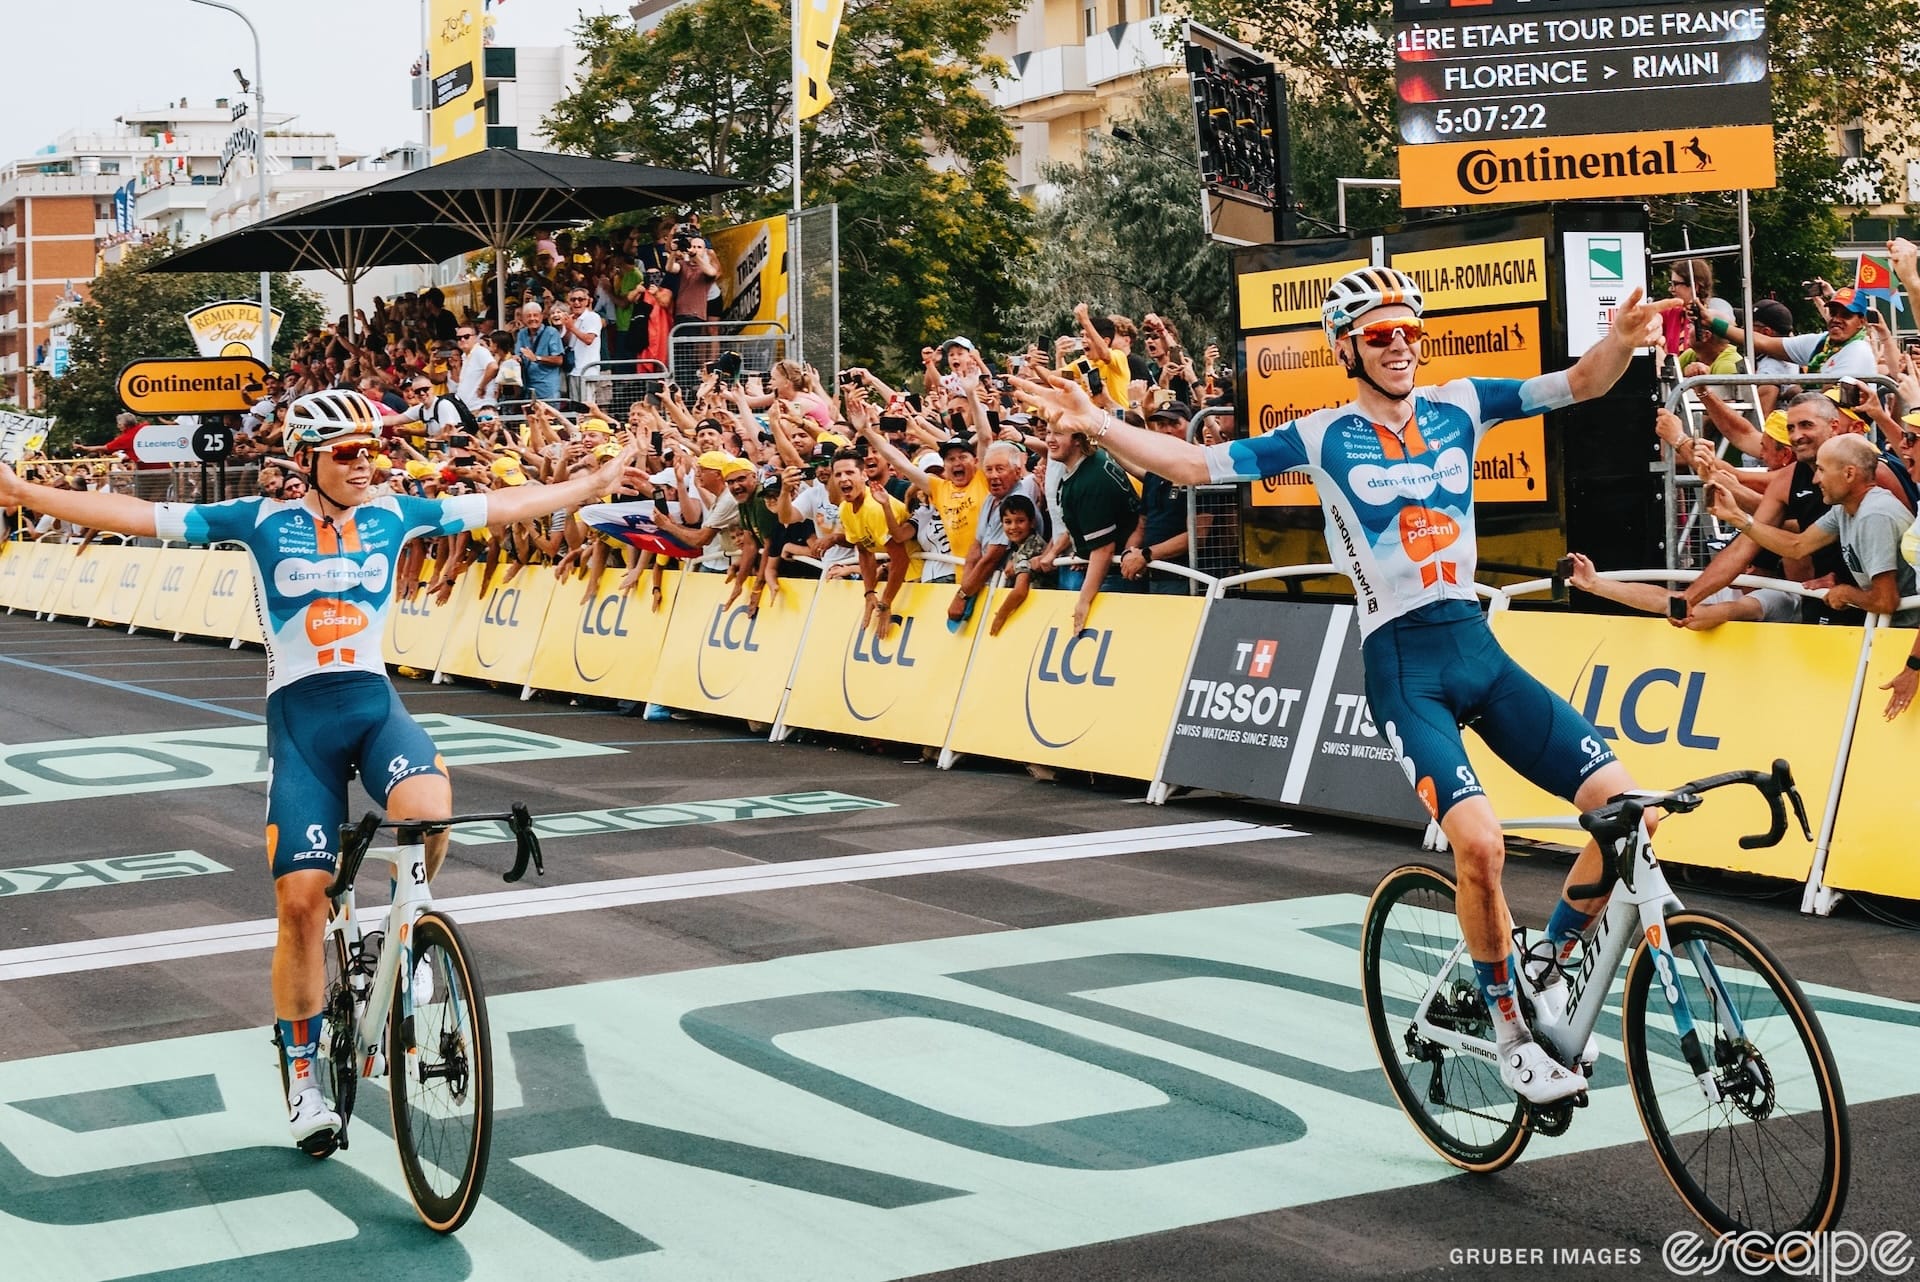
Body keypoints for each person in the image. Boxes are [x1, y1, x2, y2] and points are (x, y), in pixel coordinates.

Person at [1014, 267, 1677, 1106]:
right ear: (1346, 350)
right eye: (1379, 335)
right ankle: (1510, 1026)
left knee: (1635, 815)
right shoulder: (1324, 432)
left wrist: (1618, 342)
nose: (1399, 345)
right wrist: (1101, 423)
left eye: (1408, 331)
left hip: (1478, 647)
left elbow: (1580, 383)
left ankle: (1544, 955)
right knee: (1481, 846)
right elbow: (1193, 463)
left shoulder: (1465, 403)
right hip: (1405, 668)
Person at [0, 389, 636, 1153]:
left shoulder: (398, 513)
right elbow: (138, 518)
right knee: (301, 903)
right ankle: (304, 1079)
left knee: (429, 805)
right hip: (301, 721)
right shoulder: (260, 521)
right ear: (308, 459)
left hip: (371, 704)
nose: (366, 462)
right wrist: (20, 492)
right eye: (347, 451)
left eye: (372, 448)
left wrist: (591, 487)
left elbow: (503, 505)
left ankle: (410, 928)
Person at [1709, 433, 1920, 719]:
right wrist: (1739, 519)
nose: (1814, 480)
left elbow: (1886, 601)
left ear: (1849, 474)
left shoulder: (1874, 515)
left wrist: (1846, 594)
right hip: (1894, 637)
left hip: (1904, 639)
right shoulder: (1847, 509)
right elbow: (1796, 546)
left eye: (1821, 470)